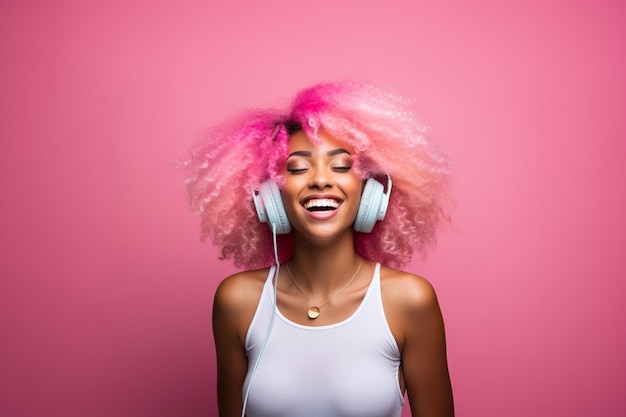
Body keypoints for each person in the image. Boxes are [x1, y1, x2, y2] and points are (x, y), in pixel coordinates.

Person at [182, 81, 454, 417]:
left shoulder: (409, 300)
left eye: (341, 166)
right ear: (269, 197)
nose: (321, 180)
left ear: (371, 192)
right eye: (297, 168)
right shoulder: (237, 301)